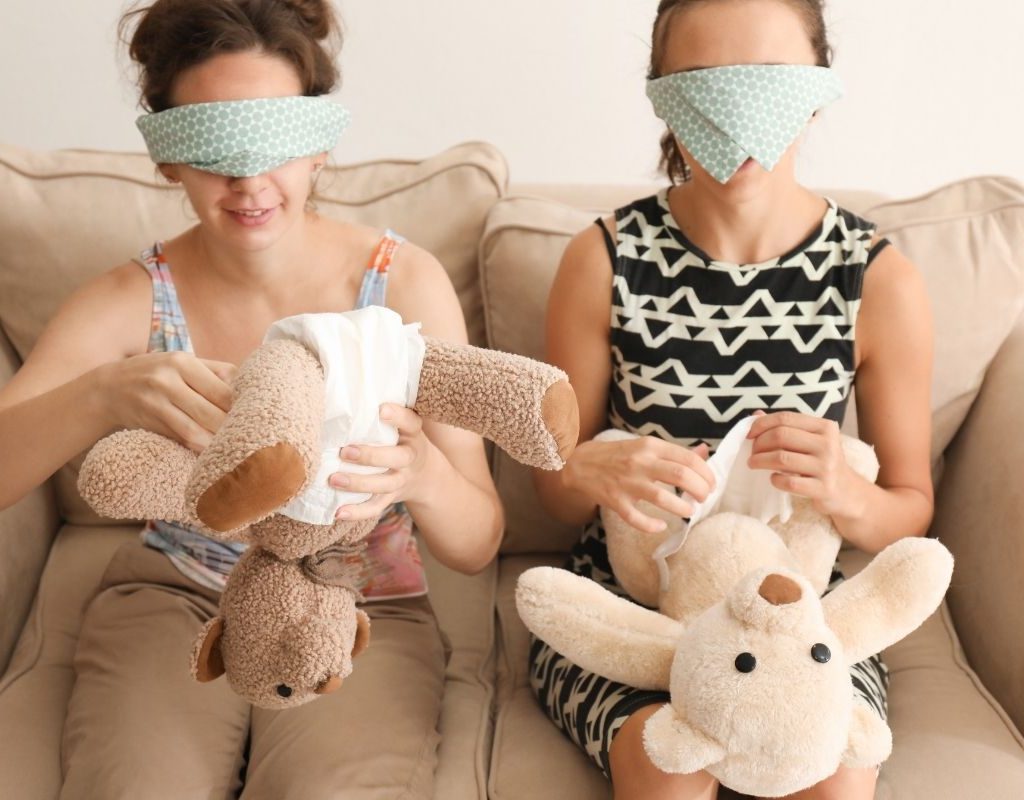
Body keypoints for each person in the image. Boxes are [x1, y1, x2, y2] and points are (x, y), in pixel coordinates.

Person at [0, 1, 504, 797]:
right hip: (171, 593)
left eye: (272, 143)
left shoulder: (400, 284)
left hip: (360, 598)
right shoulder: (133, 298)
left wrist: (423, 478)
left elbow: (477, 543)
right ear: (167, 158)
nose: (247, 182)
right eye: (212, 148)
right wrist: (102, 395)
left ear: (319, 147)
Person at [529, 1, 934, 798]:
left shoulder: (877, 277)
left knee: (837, 772)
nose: (736, 115)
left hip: (799, 614)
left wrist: (846, 492)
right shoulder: (601, 260)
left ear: (818, 90)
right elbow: (551, 488)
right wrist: (595, 471)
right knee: (669, 770)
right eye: (703, 86)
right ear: (660, 96)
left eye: (767, 84)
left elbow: (911, 508)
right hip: (635, 606)